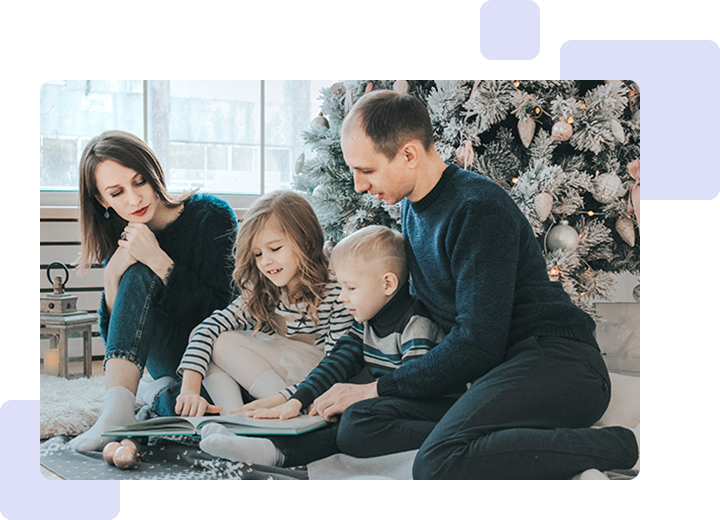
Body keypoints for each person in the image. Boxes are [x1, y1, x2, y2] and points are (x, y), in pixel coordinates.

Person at [332, 89, 640, 480]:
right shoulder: (413, 211)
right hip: (494, 374)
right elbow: (392, 316)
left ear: (409, 155)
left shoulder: (477, 208)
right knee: (359, 424)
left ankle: (618, 445)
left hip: (556, 362)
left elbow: (478, 343)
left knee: (437, 463)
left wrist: (376, 388)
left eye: (367, 170)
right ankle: (495, 441)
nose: (359, 185)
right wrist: (304, 396)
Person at [198, 225, 450, 467]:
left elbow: (412, 385)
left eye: (350, 288)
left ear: (387, 284)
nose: (342, 296)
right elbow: (336, 362)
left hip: (431, 408)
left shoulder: (416, 324)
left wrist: (355, 402)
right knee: (336, 410)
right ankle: (264, 446)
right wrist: (298, 399)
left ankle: (275, 453)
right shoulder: (367, 322)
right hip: (392, 402)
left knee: (353, 420)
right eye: (340, 286)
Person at [70, 130, 238, 452]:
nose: (133, 200)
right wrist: (112, 276)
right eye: (117, 193)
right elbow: (120, 341)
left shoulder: (211, 216)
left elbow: (225, 312)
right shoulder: (125, 236)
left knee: (204, 406)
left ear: (154, 173)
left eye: (139, 182)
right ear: (102, 200)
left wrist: (161, 263)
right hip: (166, 357)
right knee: (134, 271)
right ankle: (116, 412)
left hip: (216, 355)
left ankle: (153, 394)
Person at [174, 190, 354, 422]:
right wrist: (189, 389)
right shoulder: (265, 290)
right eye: (258, 254)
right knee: (214, 340)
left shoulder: (336, 291)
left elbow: (336, 365)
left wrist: (287, 398)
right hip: (279, 382)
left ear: (307, 241)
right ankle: (233, 419)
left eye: (275, 249)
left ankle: (283, 414)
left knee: (222, 343)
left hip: (317, 384)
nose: (265, 261)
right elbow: (206, 329)